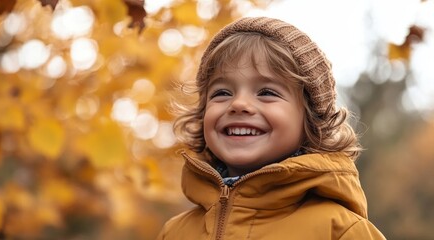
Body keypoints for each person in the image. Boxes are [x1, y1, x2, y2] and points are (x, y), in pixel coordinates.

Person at [157, 17, 385, 240]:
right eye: (222, 93)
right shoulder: (175, 232)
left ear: (310, 120)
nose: (238, 104)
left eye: (266, 93)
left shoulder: (341, 230)